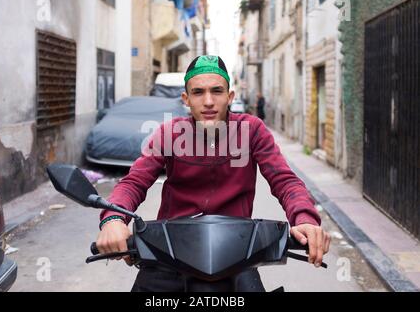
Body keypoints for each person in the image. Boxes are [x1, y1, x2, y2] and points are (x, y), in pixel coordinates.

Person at [96, 55, 331, 292]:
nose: (208, 101)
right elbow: (135, 181)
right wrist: (113, 218)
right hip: (169, 253)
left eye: (216, 91)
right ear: (186, 99)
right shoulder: (170, 132)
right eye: (198, 92)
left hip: (237, 254)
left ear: (230, 96)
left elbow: (285, 180)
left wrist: (305, 220)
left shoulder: (252, 131)